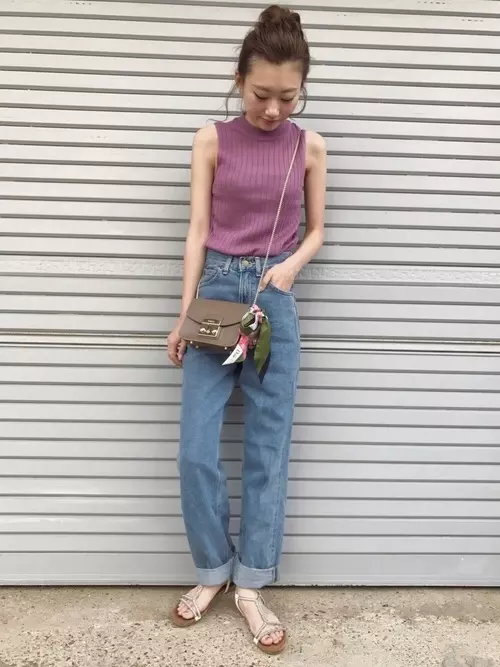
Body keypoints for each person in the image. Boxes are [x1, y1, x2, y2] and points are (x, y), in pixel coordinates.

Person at [166, 4, 326, 655]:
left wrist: (289, 267)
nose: (274, 109)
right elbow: (197, 231)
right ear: (239, 80)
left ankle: (253, 583)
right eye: (262, 94)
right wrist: (183, 311)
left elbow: (318, 230)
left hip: (272, 301)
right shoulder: (210, 139)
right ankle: (213, 569)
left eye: (289, 96)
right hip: (216, 295)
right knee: (196, 449)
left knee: (267, 449)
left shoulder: (309, 146)